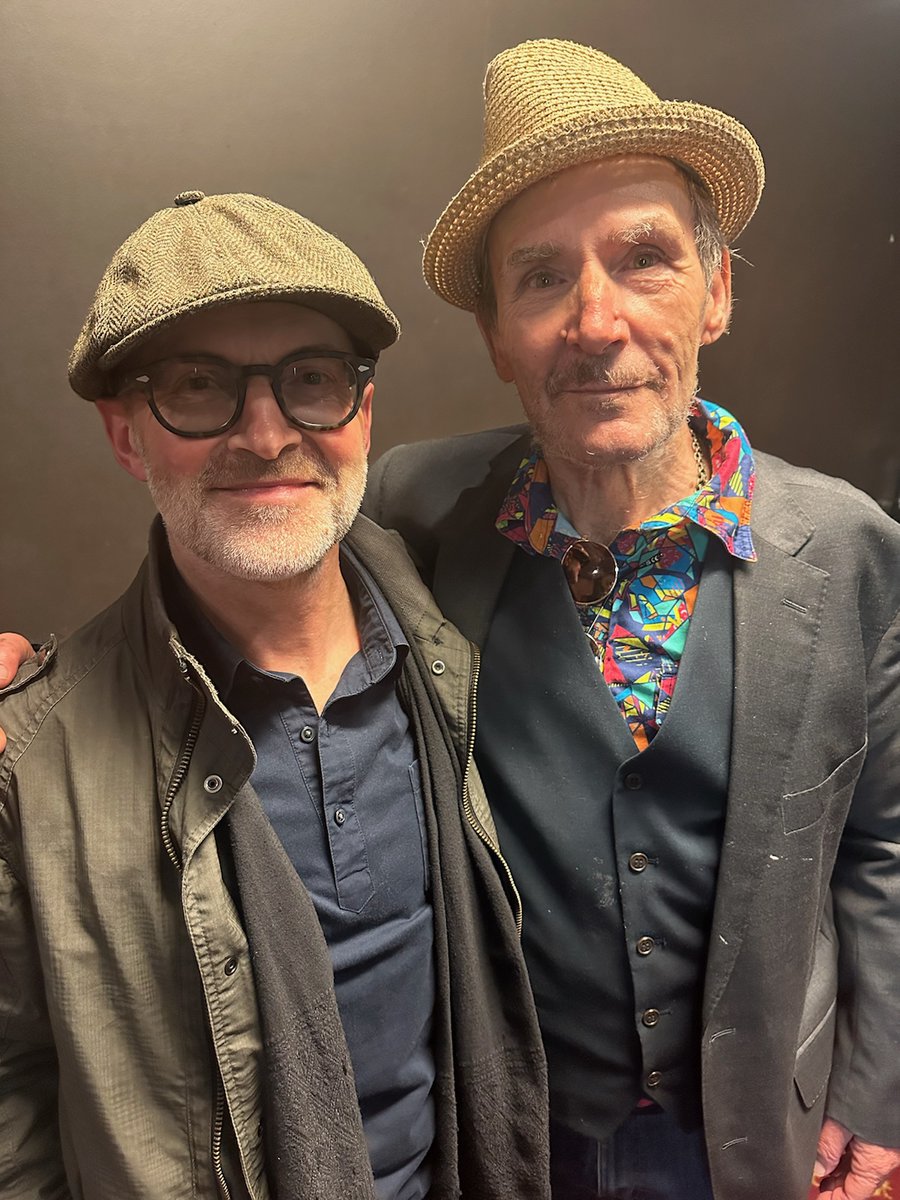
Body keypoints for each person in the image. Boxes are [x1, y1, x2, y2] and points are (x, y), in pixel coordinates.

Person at [362, 39, 900, 1200]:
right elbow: (256, 556)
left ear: (715, 293)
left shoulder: (852, 547)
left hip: (759, 1134)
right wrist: (53, 680)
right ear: (498, 334)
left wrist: (875, 1091)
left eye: (644, 259)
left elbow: (885, 844)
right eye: (542, 276)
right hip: (508, 1139)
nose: (594, 320)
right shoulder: (414, 513)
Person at [0, 191, 549, 1199]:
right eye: (199, 388)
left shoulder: (457, 643)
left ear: (362, 409)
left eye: (311, 379)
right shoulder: (28, 768)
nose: (265, 435)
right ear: (127, 437)